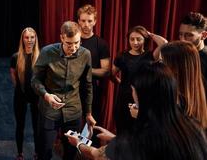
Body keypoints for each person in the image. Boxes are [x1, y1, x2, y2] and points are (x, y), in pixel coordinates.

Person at [66, 62, 207, 160]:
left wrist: (79, 143)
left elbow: (97, 155)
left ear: (141, 95)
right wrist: (115, 139)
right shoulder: (194, 125)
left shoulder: (138, 139)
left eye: (133, 90)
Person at [31, 21, 96, 160]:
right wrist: (46, 95)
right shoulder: (47, 52)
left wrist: (88, 113)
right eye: (69, 43)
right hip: (49, 110)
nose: (73, 47)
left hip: (73, 111)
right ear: (62, 38)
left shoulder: (86, 54)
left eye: (77, 43)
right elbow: (35, 80)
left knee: (71, 154)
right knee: (44, 153)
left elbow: (87, 85)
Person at [112, 25, 167, 134]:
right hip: (124, 98)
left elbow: (164, 43)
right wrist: (121, 84)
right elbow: (112, 74)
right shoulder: (122, 56)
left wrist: (150, 34)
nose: (135, 42)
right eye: (132, 39)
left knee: (139, 131)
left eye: (139, 39)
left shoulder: (150, 56)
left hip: (143, 98)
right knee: (122, 130)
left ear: (145, 40)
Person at [161, 41, 207, 129]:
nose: (159, 66)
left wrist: (140, 116)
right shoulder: (195, 94)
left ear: (176, 67)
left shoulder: (177, 100)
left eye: (162, 62)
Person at [77, 4, 110, 126]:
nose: (86, 24)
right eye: (83, 20)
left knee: (91, 126)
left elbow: (106, 71)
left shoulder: (101, 44)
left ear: (95, 22)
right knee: (72, 126)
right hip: (72, 90)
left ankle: (91, 145)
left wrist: (86, 70)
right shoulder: (72, 41)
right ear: (78, 21)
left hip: (92, 90)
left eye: (89, 21)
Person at [10, 27, 40, 160]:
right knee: (20, 125)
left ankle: (37, 152)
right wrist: (19, 87)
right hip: (20, 95)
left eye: (32, 37)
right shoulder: (16, 57)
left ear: (35, 39)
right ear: (22, 39)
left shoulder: (40, 57)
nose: (29, 40)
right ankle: (20, 153)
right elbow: (13, 75)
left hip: (36, 96)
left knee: (36, 126)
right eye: (26, 37)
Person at [179, 12, 207, 97]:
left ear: (204, 35)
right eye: (180, 34)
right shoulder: (177, 54)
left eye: (189, 35)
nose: (182, 40)